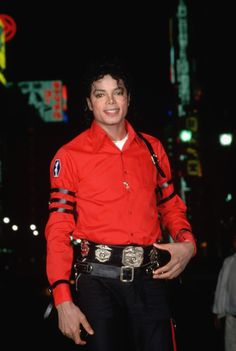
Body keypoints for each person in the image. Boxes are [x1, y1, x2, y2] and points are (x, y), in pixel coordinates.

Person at [45, 56, 197, 351]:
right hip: (96, 283)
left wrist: (187, 242)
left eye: (118, 92)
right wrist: (63, 300)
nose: (110, 101)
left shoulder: (152, 149)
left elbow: (170, 205)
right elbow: (59, 229)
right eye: (100, 94)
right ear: (89, 103)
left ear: (128, 98)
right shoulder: (70, 156)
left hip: (151, 277)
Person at [212, 232, 236, 351]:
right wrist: (218, 313)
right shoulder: (229, 262)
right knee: (230, 346)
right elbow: (222, 289)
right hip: (231, 316)